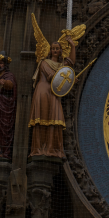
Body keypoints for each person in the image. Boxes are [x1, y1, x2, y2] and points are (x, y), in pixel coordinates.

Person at [29, 14, 85, 158]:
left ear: (60, 51)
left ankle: (52, 149)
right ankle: (39, 149)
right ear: (50, 50)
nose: (55, 50)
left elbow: (71, 62)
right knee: (41, 119)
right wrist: (69, 79)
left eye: (57, 48)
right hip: (43, 92)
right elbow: (53, 77)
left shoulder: (61, 65)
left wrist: (72, 45)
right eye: (53, 48)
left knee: (55, 119)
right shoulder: (44, 63)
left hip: (54, 94)